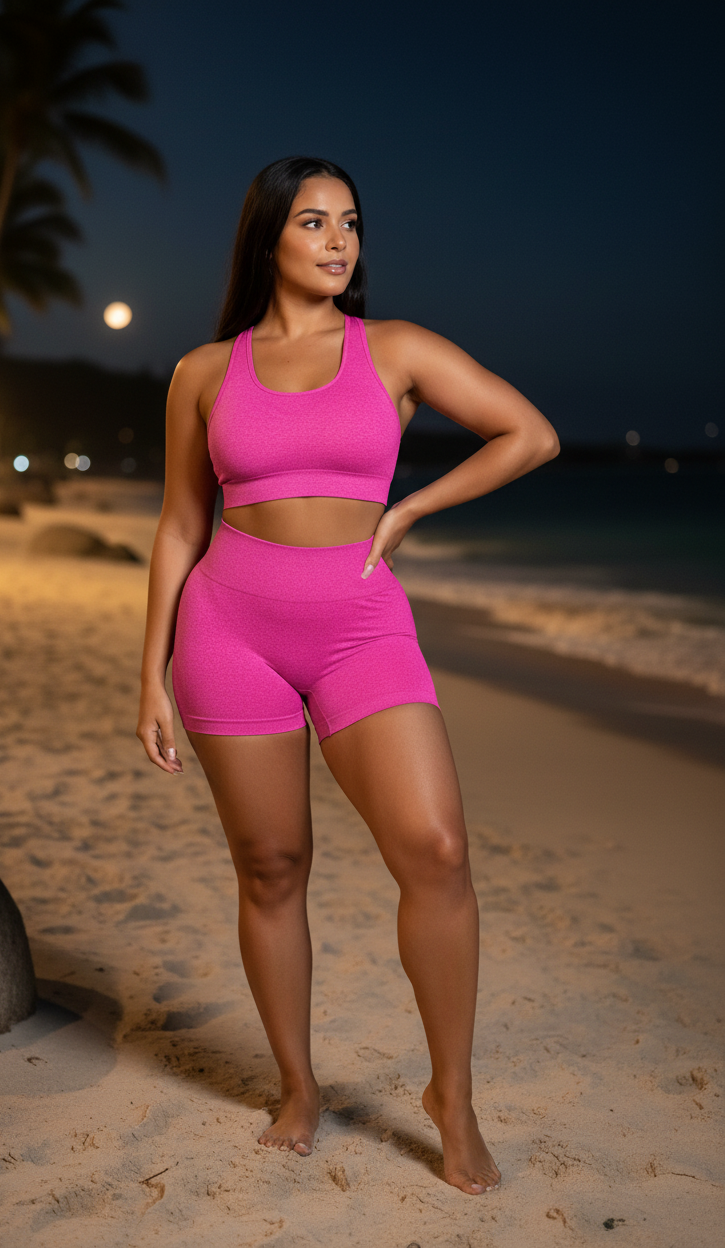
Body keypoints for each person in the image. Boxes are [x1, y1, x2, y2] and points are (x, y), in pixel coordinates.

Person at [137, 156, 559, 1196]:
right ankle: (298, 1086)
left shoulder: (395, 350)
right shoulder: (203, 371)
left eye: (351, 225)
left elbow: (530, 434)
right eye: (314, 222)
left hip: (361, 625)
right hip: (228, 627)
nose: (338, 242)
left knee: (436, 847)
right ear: (268, 238)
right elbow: (181, 524)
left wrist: (411, 508)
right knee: (272, 866)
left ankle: (448, 1097)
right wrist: (149, 674)